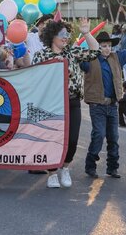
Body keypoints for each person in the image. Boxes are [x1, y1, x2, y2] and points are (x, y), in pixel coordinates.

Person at [32, 18, 100, 188]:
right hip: (51, 104)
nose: (66, 37)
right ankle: (52, 173)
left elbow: (95, 52)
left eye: (67, 34)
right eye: (62, 34)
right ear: (52, 36)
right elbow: (33, 78)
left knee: (72, 139)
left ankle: (65, 167)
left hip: (72, 101)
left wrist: (86, 32)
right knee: (51, 138)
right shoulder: (41, 55)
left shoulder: (72, 52)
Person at [82, 30, 126, 179]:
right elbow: (78, 62)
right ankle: (90, 165)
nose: (107, 49)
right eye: (103, 46)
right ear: (96, 47)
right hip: (97, 105)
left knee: (113, 137)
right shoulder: (89, 60)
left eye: (108, 46)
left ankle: (112, 167)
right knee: (98, 134)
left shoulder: (116, 58)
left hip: (112, 105)